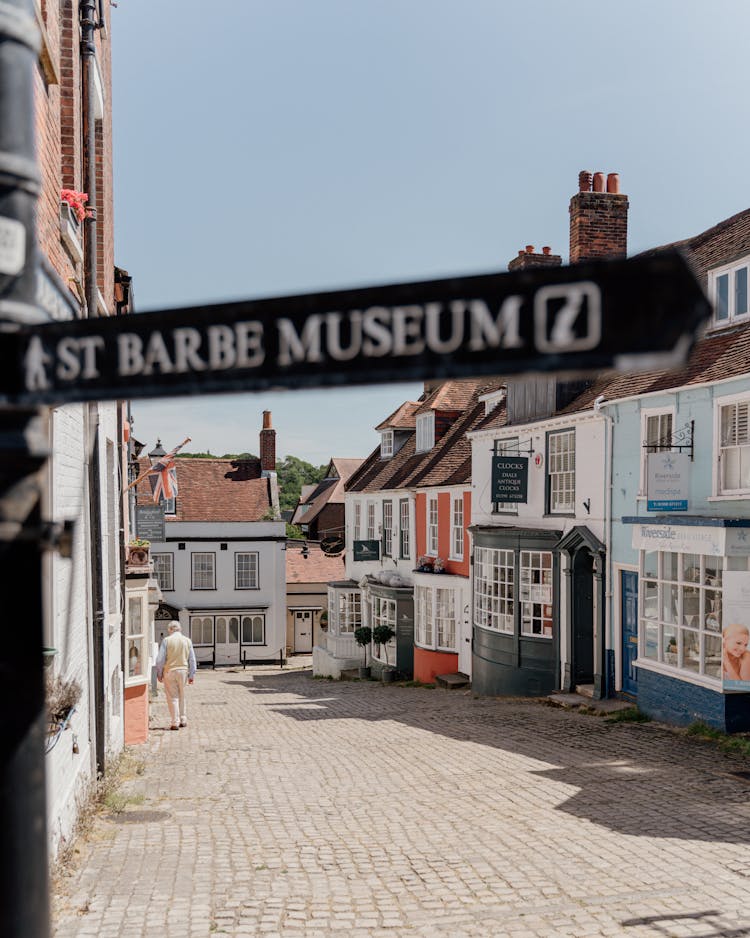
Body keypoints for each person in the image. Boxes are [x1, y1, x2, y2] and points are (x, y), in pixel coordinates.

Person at [156, 621, 197, 730]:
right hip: (183, 670)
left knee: (172, 697)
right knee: (182, 695)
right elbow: (192, 659)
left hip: (170, 670)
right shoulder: (187, 641)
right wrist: (192, 674)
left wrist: (159, 673)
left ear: (170, 630)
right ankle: (183, 719)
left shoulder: (167, 640)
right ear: (180, 629)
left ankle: (175, 721)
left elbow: (160, 659)